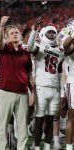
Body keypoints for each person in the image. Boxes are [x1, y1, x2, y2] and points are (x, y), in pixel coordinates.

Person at [0, 16, 35, 150]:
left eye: (16, 32)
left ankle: (21, 148)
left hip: (23, 93)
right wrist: (1, 26)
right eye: (11, 33)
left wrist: (33, 93)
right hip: (5, 92)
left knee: (23, 126)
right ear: (7, 37)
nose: (15, 34)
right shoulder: (3, 49)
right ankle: (2, 148)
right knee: (2, 126)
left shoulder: (26, 53)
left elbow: (29, 75)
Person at [27, 20, 65, 150]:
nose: (51, 34)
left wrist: (62, 92)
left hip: (54, 89)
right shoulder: (40, 45)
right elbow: (30, 47)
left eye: (53, 32)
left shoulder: (60, 49)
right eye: (49, 32)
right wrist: (34, 30)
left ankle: (47, 146)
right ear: (43, 33)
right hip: (41, 88)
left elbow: (60, 72)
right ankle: (37, 147)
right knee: (39, 119)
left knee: (50, 120)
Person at [61, 19, 74, 150]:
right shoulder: (66, 34)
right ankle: (69, 148)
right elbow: (66, 49)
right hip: (73, 80)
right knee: (72, 116)